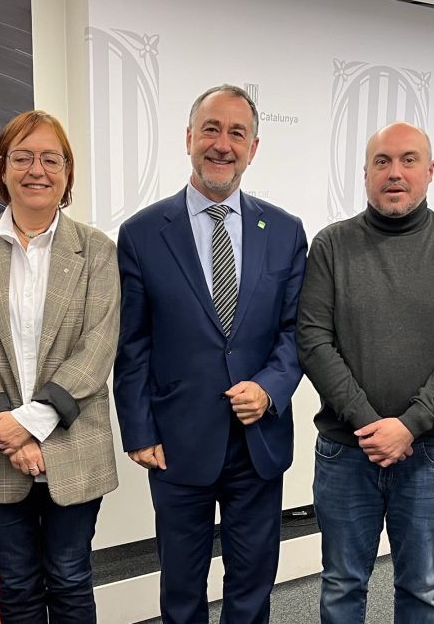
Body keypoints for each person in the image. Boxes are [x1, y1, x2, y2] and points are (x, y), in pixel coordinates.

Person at [114, 84, 307, 624]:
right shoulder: (143, 233)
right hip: (176, 442)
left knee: (251, 585)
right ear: (189, 139)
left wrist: (270, 387)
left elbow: (296, 332)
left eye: (237, 133)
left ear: (254, 147)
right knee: (181, 587)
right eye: (211, 130)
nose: (222, 145)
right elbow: (132, 343)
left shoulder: (285, 231)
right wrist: (138, 429)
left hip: (257, 442)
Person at [297, 122, 434, 624]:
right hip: (345, 450)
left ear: (430, 172)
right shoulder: (331, 245)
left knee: (422, 586)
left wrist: (409, 425)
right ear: (365, 173)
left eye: (408, 161)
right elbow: (314, 342)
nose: (394, 173)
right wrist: (370, 424)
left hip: (429, 452)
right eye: (382, 162)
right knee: (342, 584)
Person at [0, 110, 120, 624]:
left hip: (73, 443)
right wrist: (9, 432)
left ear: (67, 173)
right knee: (17, 585)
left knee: (69, 579)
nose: (35, 169)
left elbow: (98, 345)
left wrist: (31, 426)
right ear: (3, 169)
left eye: (50, 158)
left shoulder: (96, 250)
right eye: (22, 157)